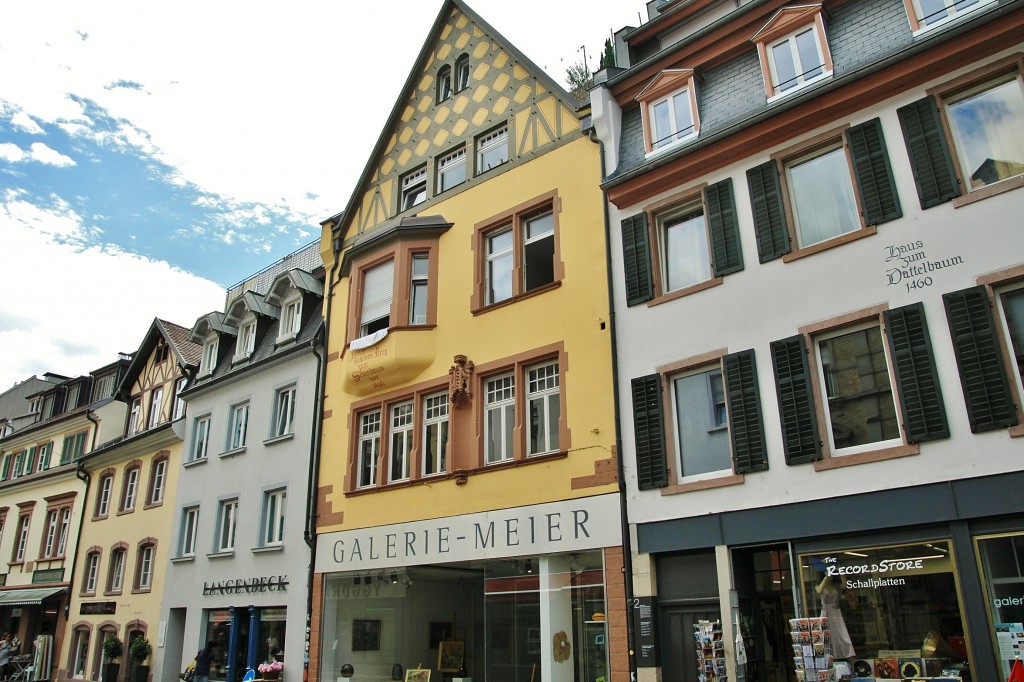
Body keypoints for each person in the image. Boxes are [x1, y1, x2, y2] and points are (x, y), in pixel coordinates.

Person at [817, 574, 855, 660]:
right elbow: (819, 591)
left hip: (836, 612)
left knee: (842, 635)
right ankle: (828, 656)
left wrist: (842, 574)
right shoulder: (819, 586)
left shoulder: (836, 586)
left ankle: (846, 654)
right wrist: (826, 577)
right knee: (826, 635)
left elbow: (844, 586)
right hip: (826, 613)